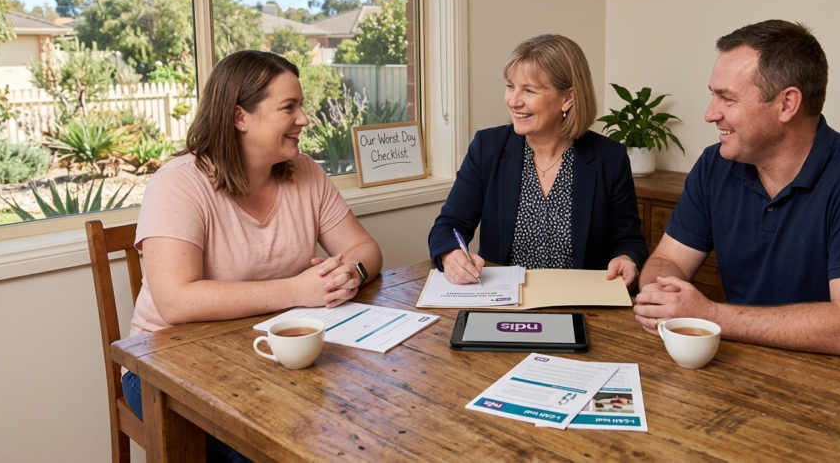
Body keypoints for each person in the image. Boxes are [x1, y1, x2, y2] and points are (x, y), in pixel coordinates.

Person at [123, 50, 383, 461]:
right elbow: (175, 300)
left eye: (301, 106)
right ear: (240, 117)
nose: (303, 119)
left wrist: (352, 271)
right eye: (289, 107)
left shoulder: (306, 172)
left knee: (363, 426)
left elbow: (365, 248)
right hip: (165, 370)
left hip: (267, 352)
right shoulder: (178, 185)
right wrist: (297, 290)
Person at [633, 20, 840, 362]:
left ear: (787, 104)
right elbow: (668, 259)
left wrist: (712, 315)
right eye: (713, 94)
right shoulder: (714, 165)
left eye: (728, 98)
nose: (710, 113)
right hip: (747, 366)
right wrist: (662, 294)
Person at [428, 34, 648, 286]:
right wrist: (450, 254)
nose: (513, 101)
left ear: (568, 98)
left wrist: (626, 258)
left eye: (529, 90)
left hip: (580, 304)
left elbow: (630, 242)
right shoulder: (487, 148)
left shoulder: (610, 158)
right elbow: (448, 225)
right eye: (510, 86)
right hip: (503, 302)